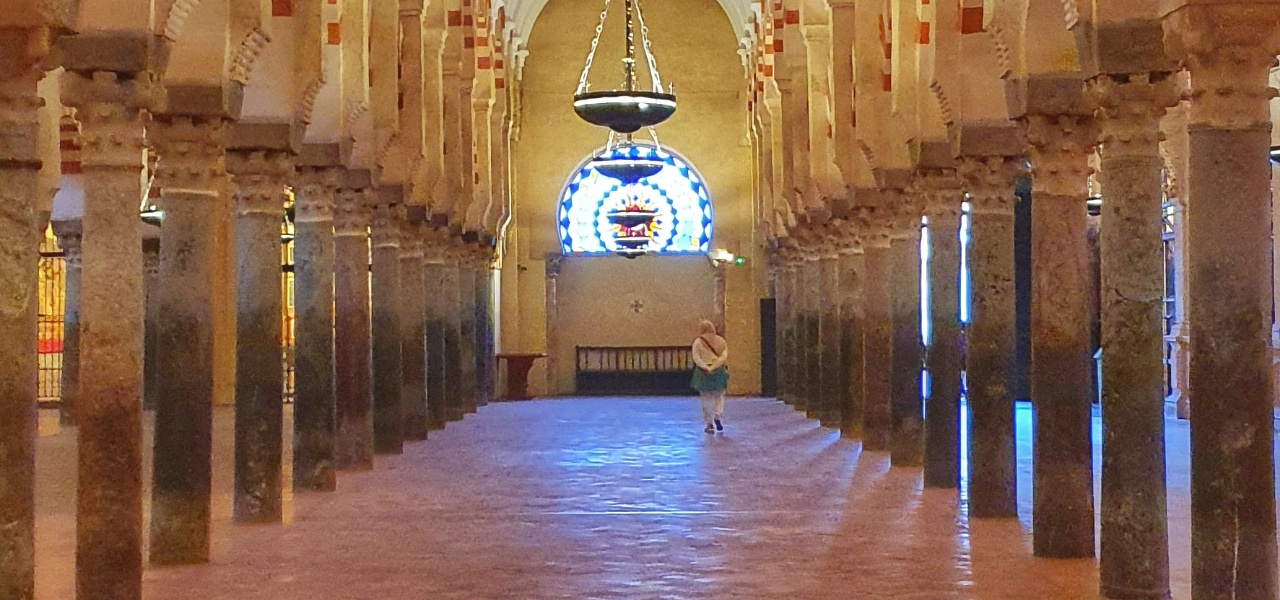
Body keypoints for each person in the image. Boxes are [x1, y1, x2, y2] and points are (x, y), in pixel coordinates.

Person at [691, 320, 729, 433]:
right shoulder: (721, 341)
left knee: (706, 397)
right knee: (719, 395)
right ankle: (717, 414)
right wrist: (714, 366)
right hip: (719, 371)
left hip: (703, 372)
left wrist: (706, 368)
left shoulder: (698, 342)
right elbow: (724, 357)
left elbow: (696, 358)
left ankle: (709, 423)